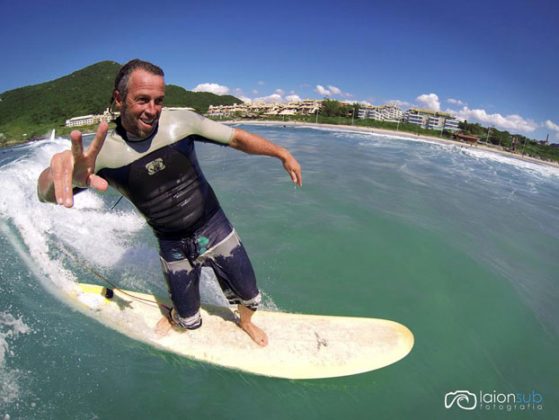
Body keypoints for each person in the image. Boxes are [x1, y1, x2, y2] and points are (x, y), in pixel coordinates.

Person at [37, 59, 302, 347]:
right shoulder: (101, 156)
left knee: (250, 297)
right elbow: (47, 194)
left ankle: (245, 322)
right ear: (118, 98)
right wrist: (55, 173)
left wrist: (281, 153)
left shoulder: (182, 122)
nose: (152, 110)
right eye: (142, 100)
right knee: (188, 321)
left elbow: (237, 139)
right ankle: (176, 313)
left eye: (158, 101)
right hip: (172, 244)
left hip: (215, 226)